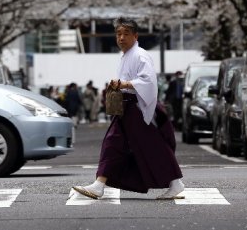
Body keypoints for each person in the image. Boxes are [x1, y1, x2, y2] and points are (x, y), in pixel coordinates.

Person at [71, 17, 185, 200]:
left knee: (150, 146)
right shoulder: (126, 56)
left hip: (137, 107)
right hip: (127, 108)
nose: (121, 38)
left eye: (126, 34)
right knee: (115, 144)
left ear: (135, 36)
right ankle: (99, 184)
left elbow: (148, 80)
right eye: (118, 34)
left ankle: (175, 183)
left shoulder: (140, 55)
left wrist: (124, 83)